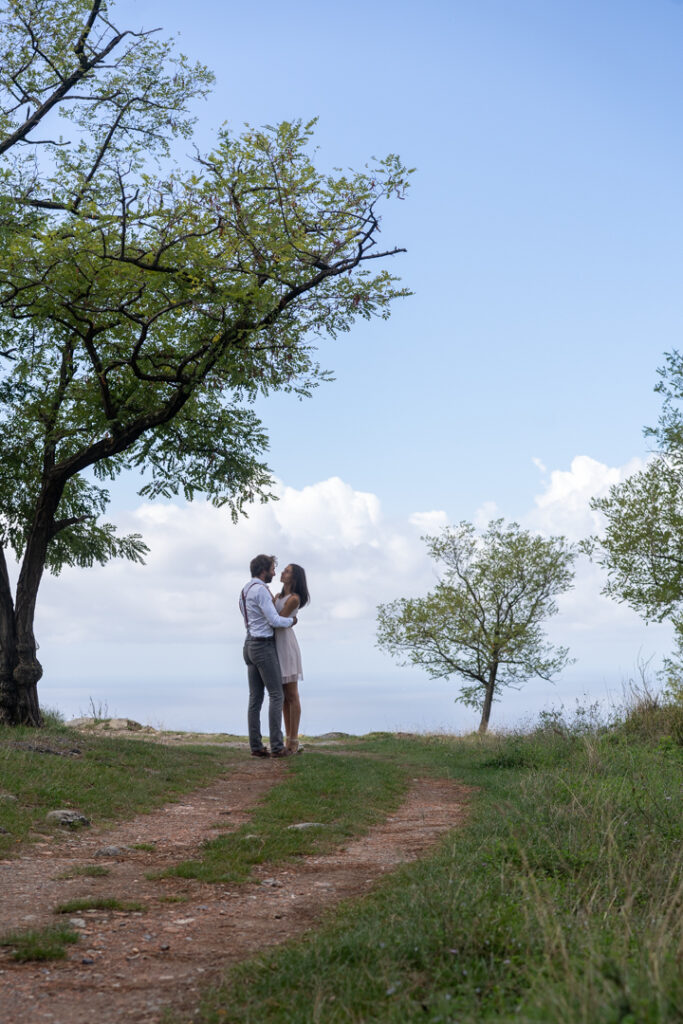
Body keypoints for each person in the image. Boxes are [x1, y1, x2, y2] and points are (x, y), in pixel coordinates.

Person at [239, 554, 297, 758]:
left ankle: (256, 746)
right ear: (263, 571)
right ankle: (277, 746)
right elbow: (274, 620)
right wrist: (292, 621)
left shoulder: (245, 590)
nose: (274, 573)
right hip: (263, 646)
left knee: (255, 698)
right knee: (276, 695)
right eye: (272, 569)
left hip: (249, 644)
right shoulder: (262, 591)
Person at [273, 564, 309, 754]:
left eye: (287, 571)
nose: (282, 573)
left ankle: (293, 739)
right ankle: (288, 738)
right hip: (276, 644)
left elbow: (278, 619)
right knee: (283, 697)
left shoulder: (294, 599)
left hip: (286, 645)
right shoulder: (279, 597)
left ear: (294, 578)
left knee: (292, 694)